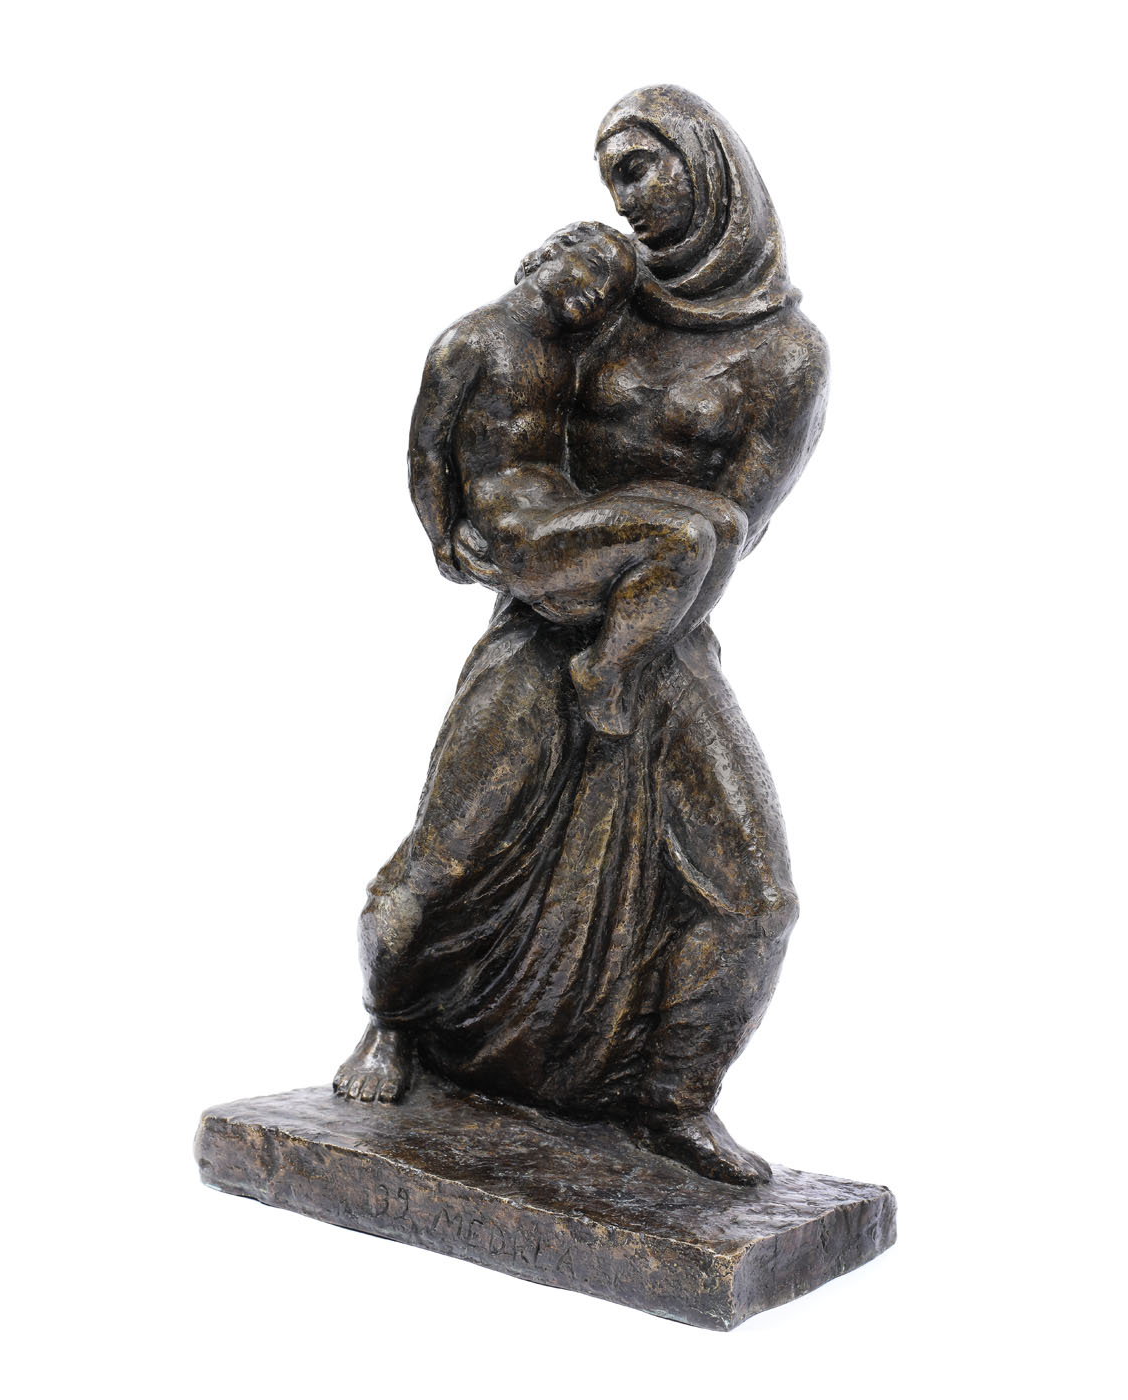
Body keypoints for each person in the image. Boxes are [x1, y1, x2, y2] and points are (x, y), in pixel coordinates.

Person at [334, 86, 828, 1186]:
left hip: (661, 633)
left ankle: (670, 1098)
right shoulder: (599, 294)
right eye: (611, 178)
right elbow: (486, 408)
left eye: (641, 168)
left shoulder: (787, 354)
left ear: (710, 169)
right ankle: (394, 1025)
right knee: (446, 861)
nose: (626, 198)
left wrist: (629, 633)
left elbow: (738, 525)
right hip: (539, 620)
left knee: (753, 898)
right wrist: (467, 536)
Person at [407, 221, 746, 736]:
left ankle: (647, 654)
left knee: (726, 524)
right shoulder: (471, 339)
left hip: (565, 510)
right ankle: (602, 669)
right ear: (549, 254)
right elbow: (426, 451)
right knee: (685, 537)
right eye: (594, 268)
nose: (597, 293)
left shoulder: (567, 354)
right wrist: (444, 537)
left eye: (609, 293)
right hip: (520, 532)